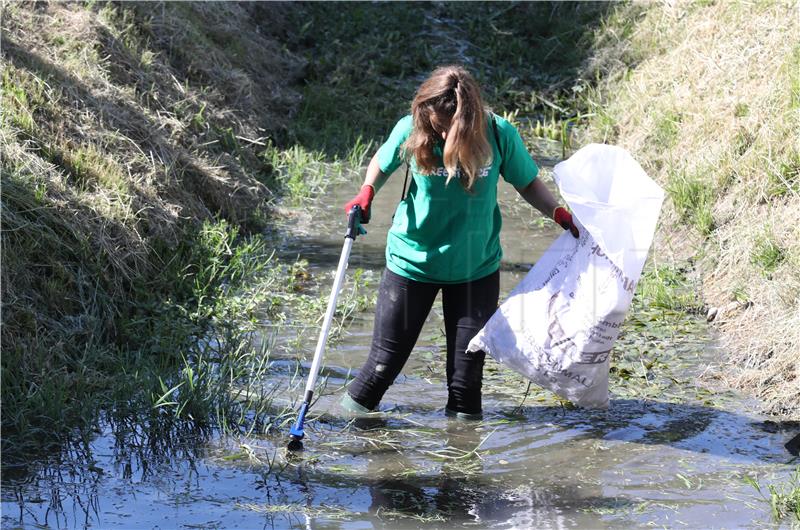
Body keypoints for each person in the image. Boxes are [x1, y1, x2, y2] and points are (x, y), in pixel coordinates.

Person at [341, 65, 579, 420]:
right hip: (412, 265)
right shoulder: (412, 129)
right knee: (380, 370)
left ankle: (461, 470)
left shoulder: (497, 134)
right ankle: (343, 443)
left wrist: (559, 214)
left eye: (446, 126)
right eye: (434, 124)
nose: (439, 131)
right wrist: (366, 192)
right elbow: (382, 160)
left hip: (474, 269)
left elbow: (528, 183)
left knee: (466, 387)